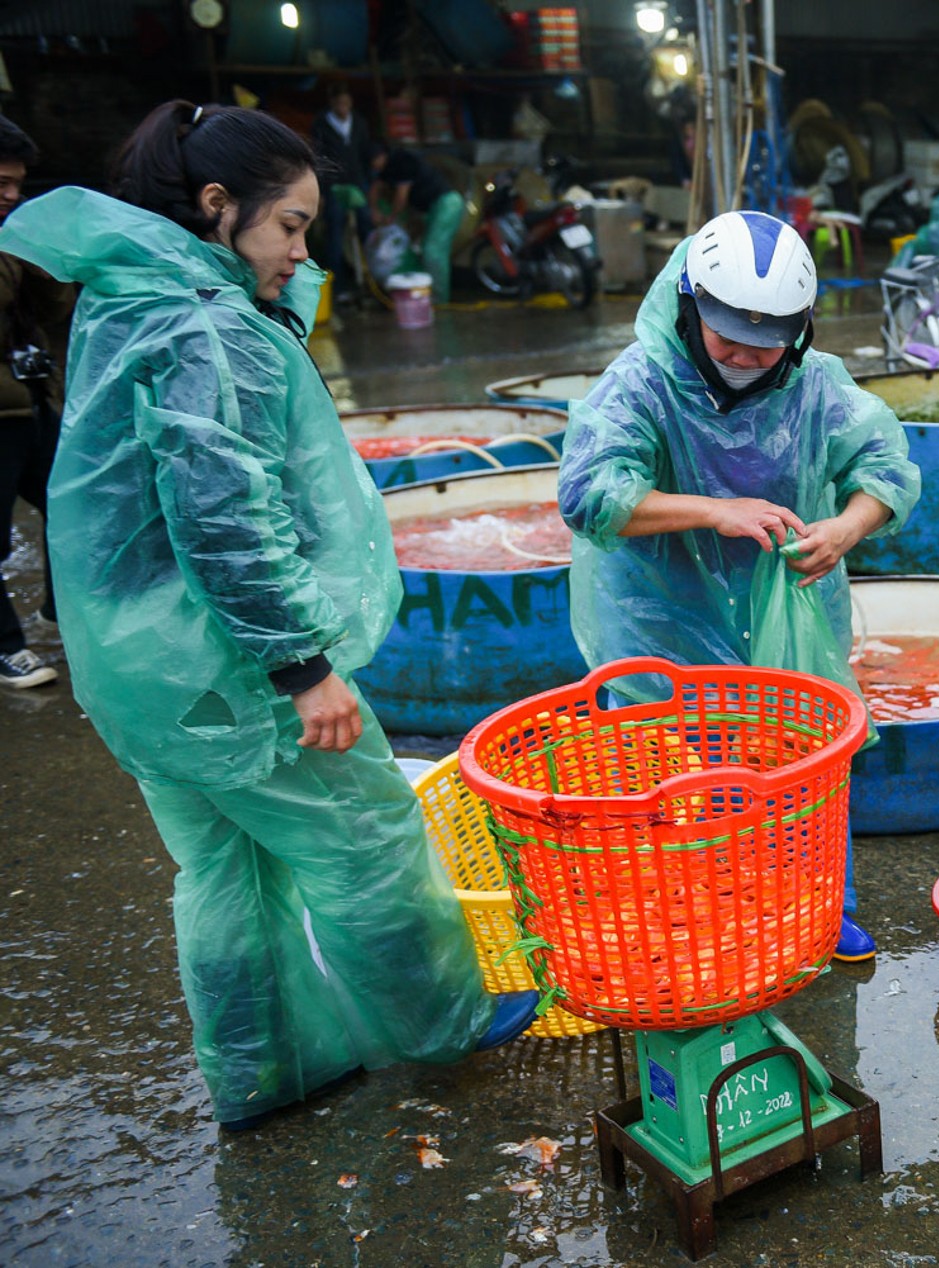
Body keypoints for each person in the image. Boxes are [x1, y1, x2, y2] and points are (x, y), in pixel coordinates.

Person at [0, 100, 537, 1131]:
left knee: (225, 866)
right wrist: (302, 665)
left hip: (139, 666)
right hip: (227, 666)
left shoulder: (129, 300)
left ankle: (263, 1068)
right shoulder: (208, 325)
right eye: (289, 225)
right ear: (217, 206)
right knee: (369, 838)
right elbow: (223, 516)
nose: (303, 250)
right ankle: (446, 1025)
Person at [558, 210, 921, 962]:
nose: (750, 358)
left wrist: (845, 529)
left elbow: (884, 468)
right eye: (730, 340)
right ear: (690, 310)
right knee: (676, 775)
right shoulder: (641, 384)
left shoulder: (815, 384)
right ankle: (703, 927)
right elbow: (590, 493)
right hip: (660, 619)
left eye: (770, 344)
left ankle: (824, 908)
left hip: (788, 612)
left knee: (803, 761)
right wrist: (713, 511)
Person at [0, 113, 73, 690]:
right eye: (0, 183)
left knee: (74, 505)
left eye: (17, 185)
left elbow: (54, 310)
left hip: (32, 400)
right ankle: (6, 646)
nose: (11, 196)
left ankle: (62, 607)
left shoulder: (15, 237)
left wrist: (42, 255)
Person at [368, 143, 462, 302]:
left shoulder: (403, 161)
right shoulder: (387, 170)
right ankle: (427, 295)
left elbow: (401, 197)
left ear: (382, 156)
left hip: (447, 204)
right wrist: (374, 209)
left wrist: (392, 217)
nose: (374, 166)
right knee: (423, 249)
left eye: (374, 161)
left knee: (432, 251)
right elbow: (375, 190)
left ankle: (439, 301)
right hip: (431, 209)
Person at [309, 82, 376, 293]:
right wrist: (320, 190)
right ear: (332, 103)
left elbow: (365, 153)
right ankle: (339, 287)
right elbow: (318, 158)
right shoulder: (321, 124)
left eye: (346, 103)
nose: (343, 107)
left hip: (357, 182)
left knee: (367, 226)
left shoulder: (358, 123)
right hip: (333, 185)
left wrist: (370, 181)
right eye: (339, 103)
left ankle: (372, 279)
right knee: (335, 231)